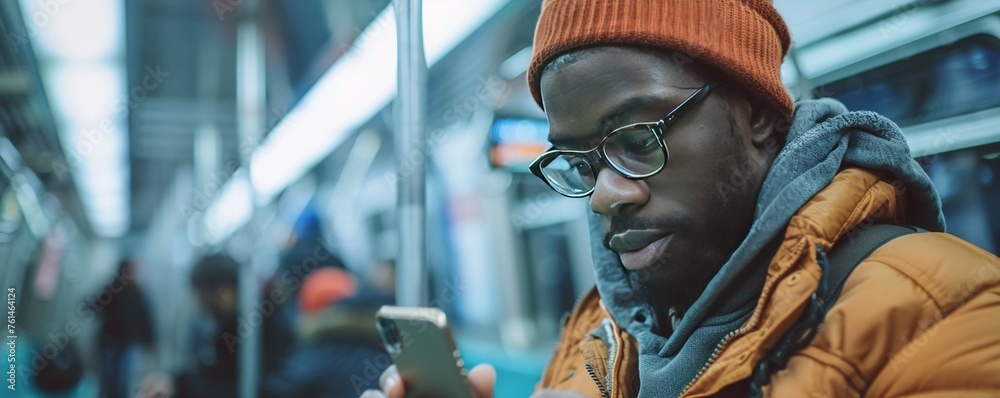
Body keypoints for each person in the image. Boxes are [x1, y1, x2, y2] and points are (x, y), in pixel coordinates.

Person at [369, 0, 1000, 397]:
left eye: (638, 138)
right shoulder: (600, 329)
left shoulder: (949, 316)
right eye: (581, 162)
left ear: (753, 110)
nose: (602, 198)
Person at [175, 254, 240, 398]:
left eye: (202, 294)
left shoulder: (257, 337)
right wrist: (171, 384)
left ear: (225, 291)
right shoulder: (220, 328)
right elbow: (206, 375)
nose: (200, 303)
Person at [95, 258, 154, 398]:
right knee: (108, 380)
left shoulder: (138, 292)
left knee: (124, 381)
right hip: (110, 341)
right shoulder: (112, 289)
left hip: (129, 344)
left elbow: (145, 318)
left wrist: (149, 340)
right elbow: (97, 305)